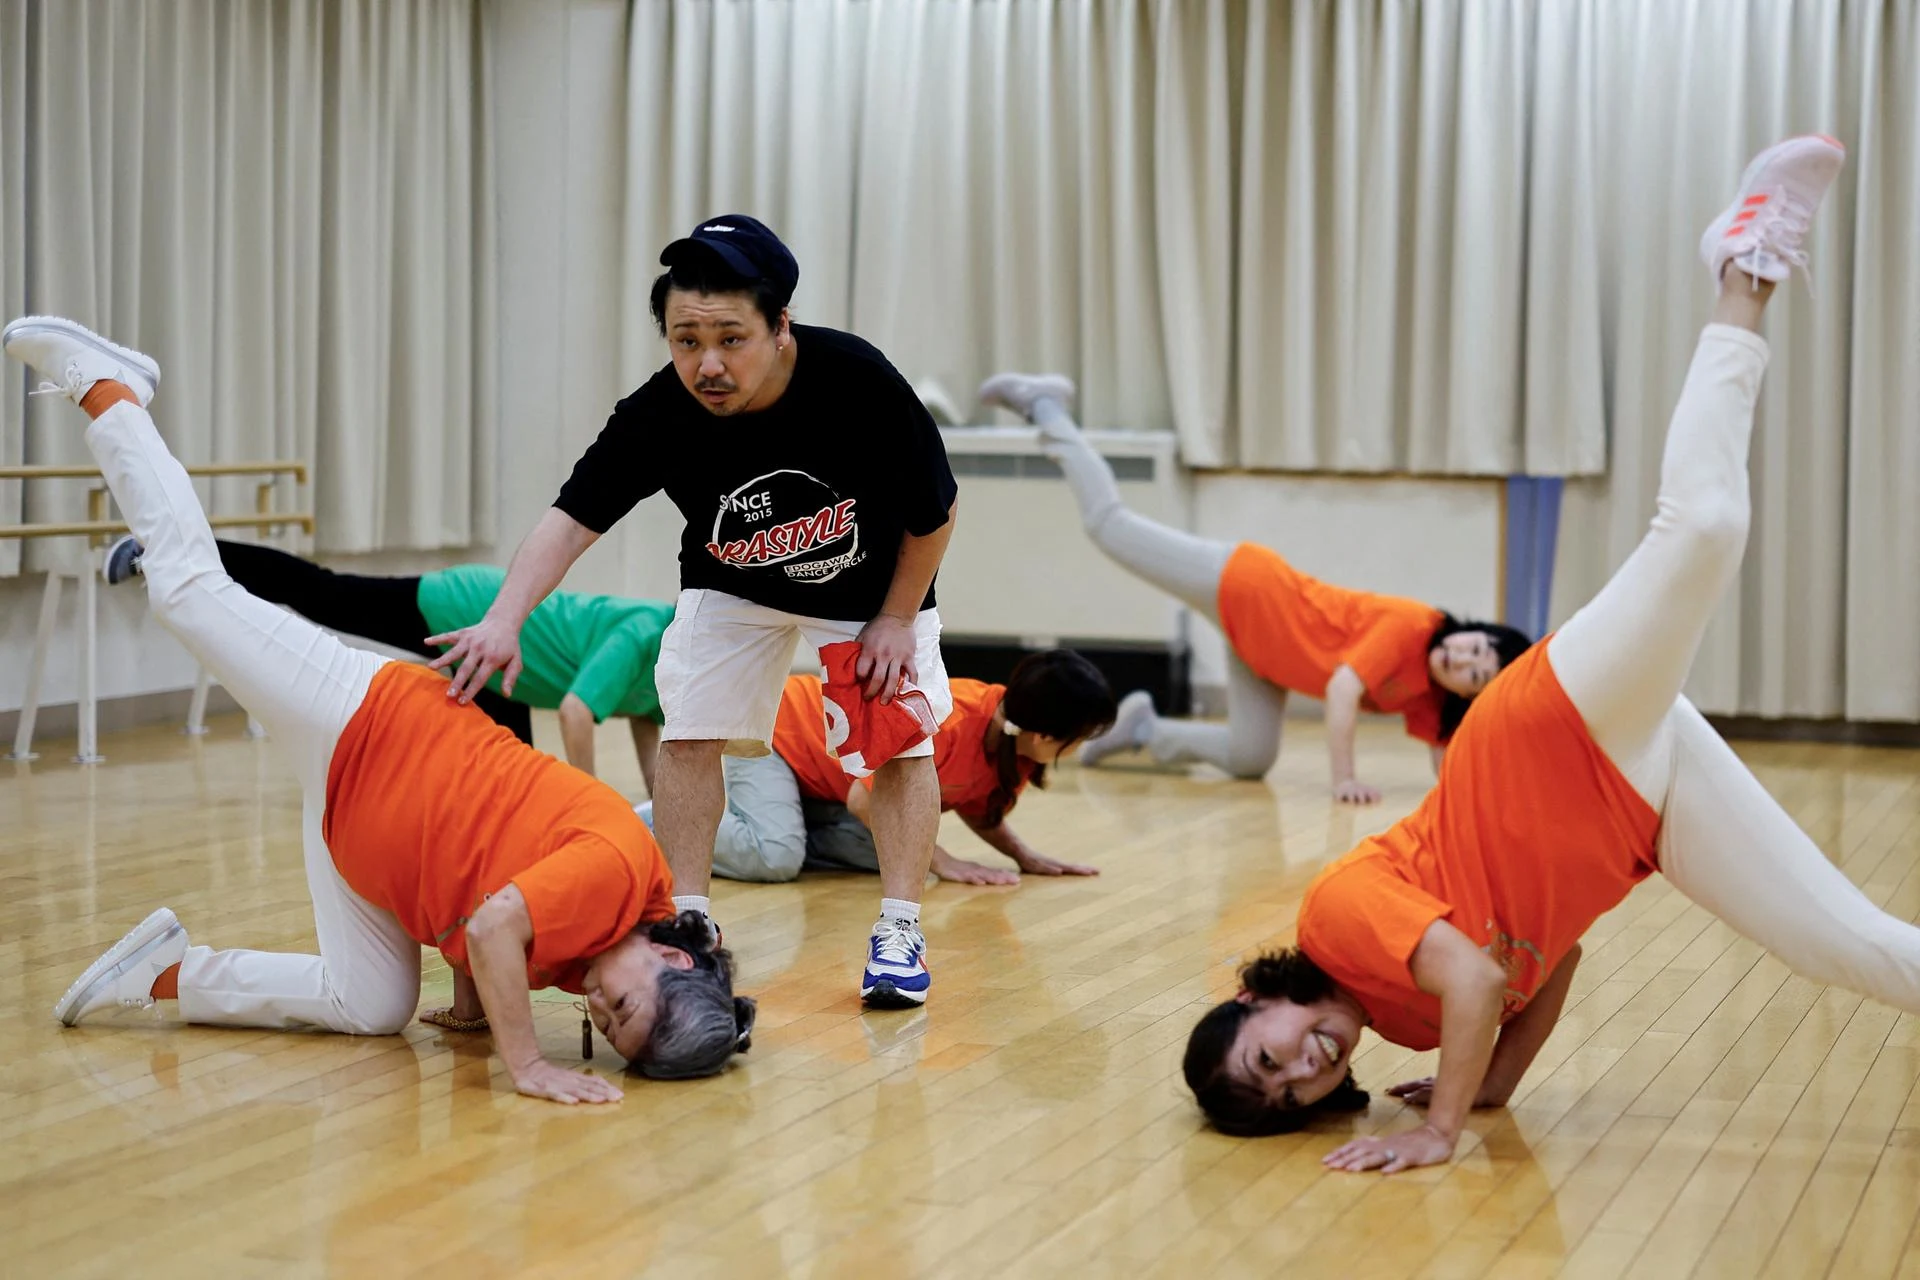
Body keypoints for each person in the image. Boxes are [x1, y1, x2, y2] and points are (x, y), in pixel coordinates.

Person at [1179, 136, 1882, 1173]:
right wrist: (1495, 1081)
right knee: (1844, 943)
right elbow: (1553, 962)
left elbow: (1473, 981)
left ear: (1255, 1000)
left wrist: (1441, 1126)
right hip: (1637, 809)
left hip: (1550, 735)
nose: (1304, 1066)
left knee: (1700, 529)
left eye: (1268, 1056)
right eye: (1292, 1091)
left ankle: (1746, 269)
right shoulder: (1404, 1024)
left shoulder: (1336, 923)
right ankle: (1746, 269)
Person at [6, 316, 753, 1101]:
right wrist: (526, 1064)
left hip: (357, 816)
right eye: (622, 1007)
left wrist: (472, 1012)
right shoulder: (615, 879)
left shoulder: (604, 941)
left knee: (369, 1005)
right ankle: (109, 389)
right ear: (672, 958)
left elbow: (487, 897)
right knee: (188, 590)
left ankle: (164, 973)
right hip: (365, 723)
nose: (599, 1009)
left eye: (605, 1029)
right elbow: (496, 925)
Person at [429, 216, 960, 1009]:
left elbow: (935, 512)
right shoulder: (657, 412)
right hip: (733, 582)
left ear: (781, 328)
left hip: (870, 587)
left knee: (898, 743)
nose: (707, 364)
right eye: (685, 340)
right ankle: (688, 922)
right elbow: (571, 519)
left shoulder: (857, 379)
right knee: (689, 730)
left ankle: (899, 928)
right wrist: (505, 617)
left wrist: (894, 619)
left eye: (730, 339)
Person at [976, 378, 1531, 803]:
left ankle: (1144, 726)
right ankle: (1045, 404)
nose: (1464, 657)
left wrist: (1472, 797)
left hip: (1265, 656)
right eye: (1477, 645)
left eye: (1474, 674)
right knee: (1108, 525)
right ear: (1474, 630)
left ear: (1466, 697)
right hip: (1243, 587)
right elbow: (1342, 690)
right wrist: (1345, 779)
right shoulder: (1416, 627)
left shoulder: (1433, 699)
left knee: (1249, 757)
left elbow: (1446, 757)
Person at [99, 537, 674, 789]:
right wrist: (594, 801)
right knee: (324, 593)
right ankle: (167, 551)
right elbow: (576, 712)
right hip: (471, 610)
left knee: (510, 785)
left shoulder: (676, 667)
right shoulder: (648, 631)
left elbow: (644, 718)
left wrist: (655, 814)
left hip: (508, 674)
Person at [696, 649, 1117, 886]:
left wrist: (1025, 856)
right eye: (1079, 739)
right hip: (779, 732)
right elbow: (865, 799)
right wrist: (945, 859)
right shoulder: (948, 721)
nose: (1078, 749)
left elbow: (973, 801)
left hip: (829, 786)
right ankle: (664, 821)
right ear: (1045, 737)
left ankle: (786, 825)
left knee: (898, 857)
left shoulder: (1016, 745)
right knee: (776, 860)